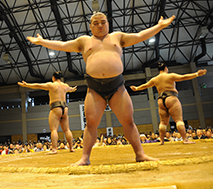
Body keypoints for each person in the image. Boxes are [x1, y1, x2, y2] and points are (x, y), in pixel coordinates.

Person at [27, 12, 175, 165]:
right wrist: (43, 42)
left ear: (108, 24)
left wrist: (159, 26)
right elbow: (63, 45)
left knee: (129, 122)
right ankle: (85, 158)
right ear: (90, 26)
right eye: (96, 23)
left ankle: (140, 154)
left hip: (117, 86)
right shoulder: (84, 41)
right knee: (91, 124)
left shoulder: (117, 37)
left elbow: (139, 36)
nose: (100, 25)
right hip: (94, 88)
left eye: (103, 22)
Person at [130, 62, 207, 145]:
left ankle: (162, 141)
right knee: (178, 120)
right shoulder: (170, 76)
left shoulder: (155, 79)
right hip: (171, 98)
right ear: (166, 68)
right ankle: (185, 139)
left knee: (163, 122)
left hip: (161, 100)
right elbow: (183, 77)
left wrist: (137, 88)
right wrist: (196, 74)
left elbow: (146, 85)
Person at [18, 71, 77, 154]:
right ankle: (71, 148)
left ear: (53, 77)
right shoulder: (65, 86)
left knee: (54, 130)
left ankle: (54, 149)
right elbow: (70, 89)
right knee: (67, 129)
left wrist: (26, 85)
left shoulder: (52, 85)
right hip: (65, 108)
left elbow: (38, 85)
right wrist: (73, 89)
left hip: (56, 108)